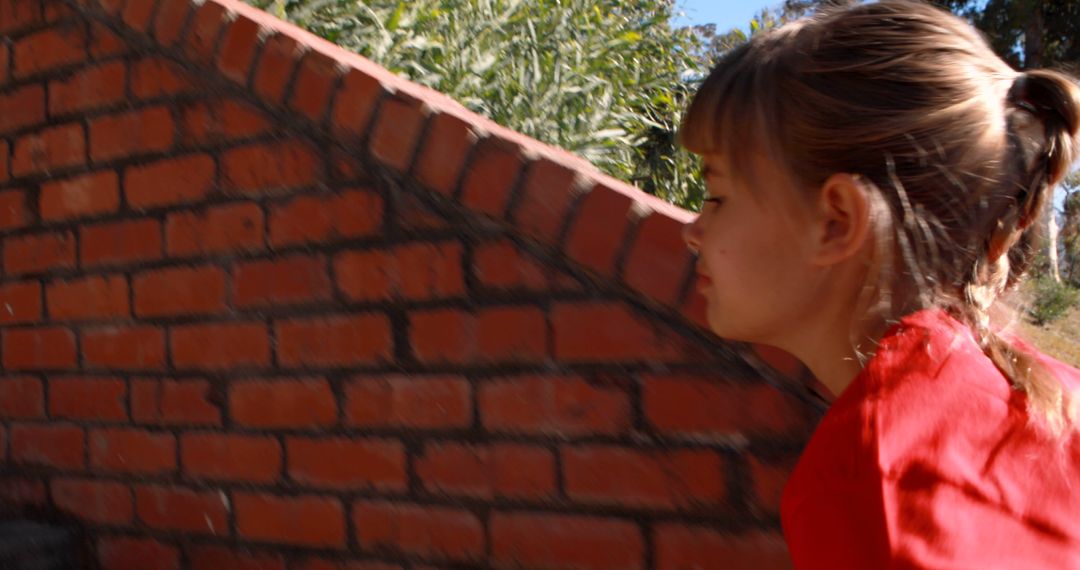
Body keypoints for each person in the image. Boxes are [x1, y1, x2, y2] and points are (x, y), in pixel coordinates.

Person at [679, 1, 1080, 568]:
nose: (693, 230)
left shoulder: (876, 474)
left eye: (718, 195)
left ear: (836, 220)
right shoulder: (1051, 396)